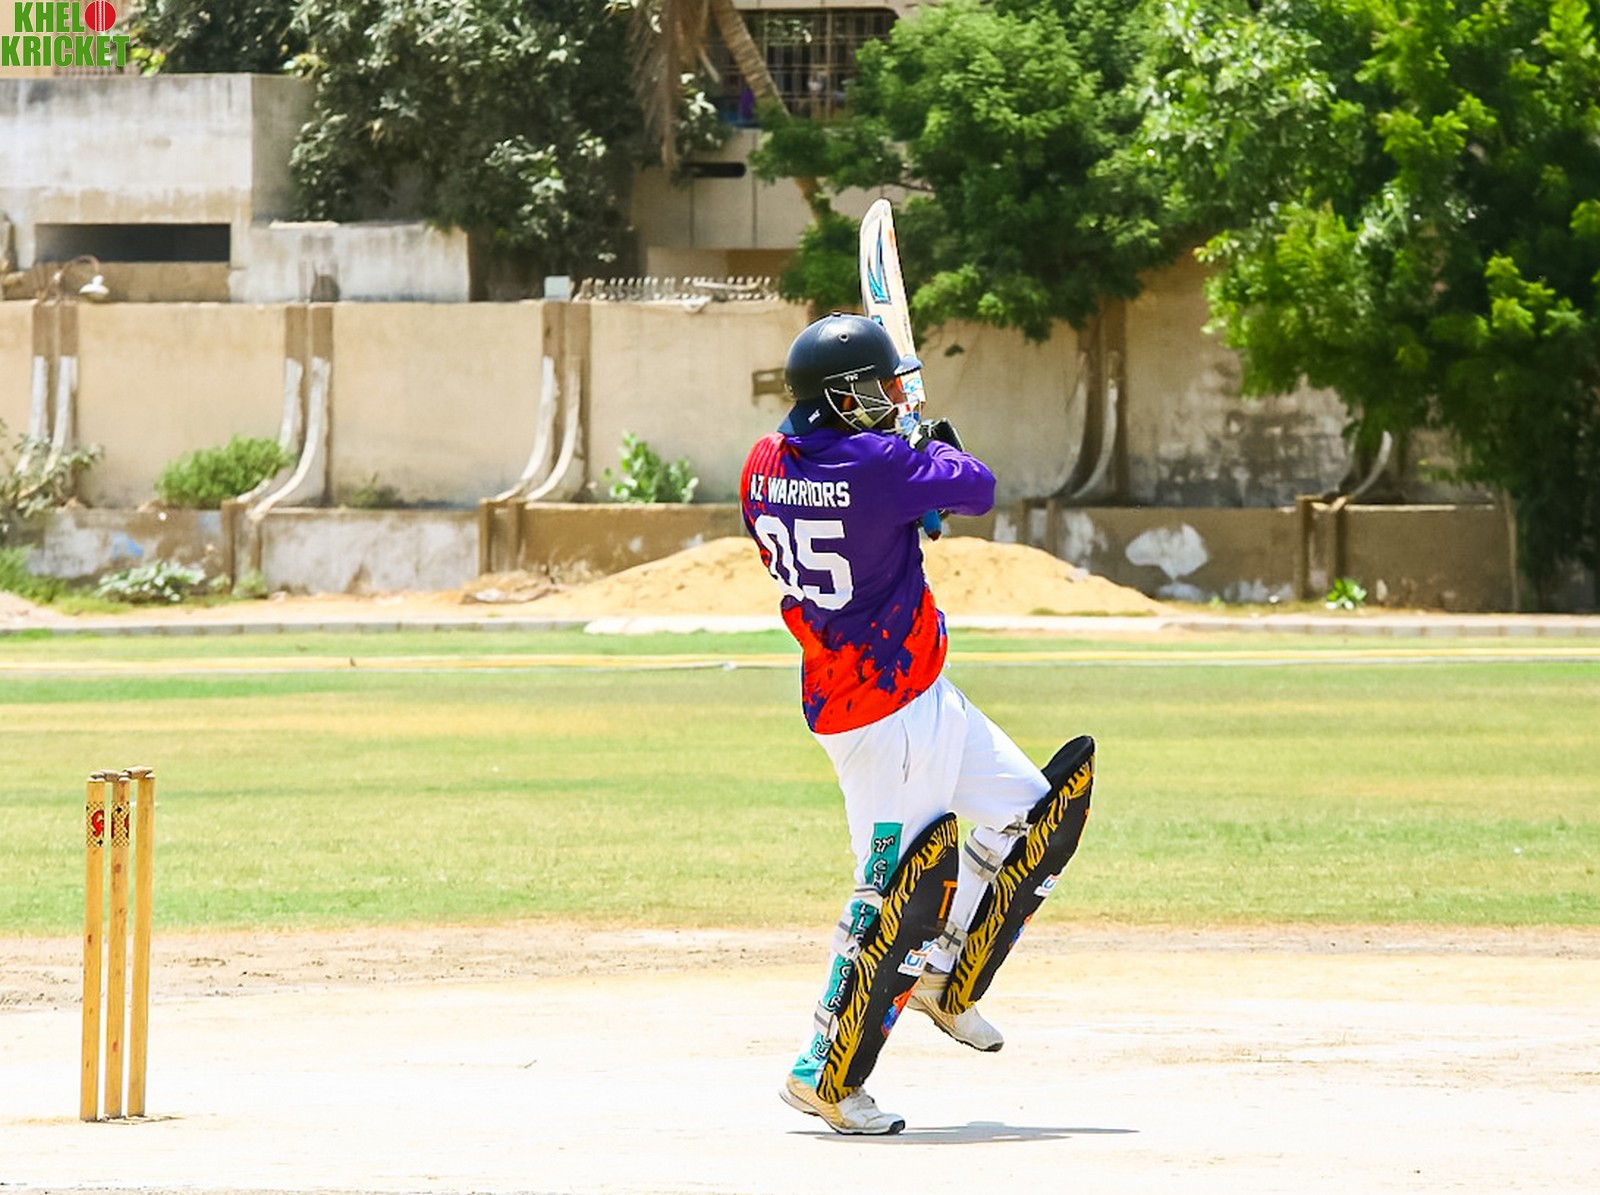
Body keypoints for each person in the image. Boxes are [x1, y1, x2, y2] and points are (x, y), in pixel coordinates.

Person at [741, 312, 1095, 1135]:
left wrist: (908, 463)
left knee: (1031, 812)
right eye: (871, 389)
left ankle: (943, 973)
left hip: (901, 688)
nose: (886, 399)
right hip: (884, 712)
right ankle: (823, 1070)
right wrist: (922, 448)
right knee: (893, 891)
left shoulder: (763, 462)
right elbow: (979, 486)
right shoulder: (878, 462)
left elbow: (880, 498)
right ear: (838, 398)